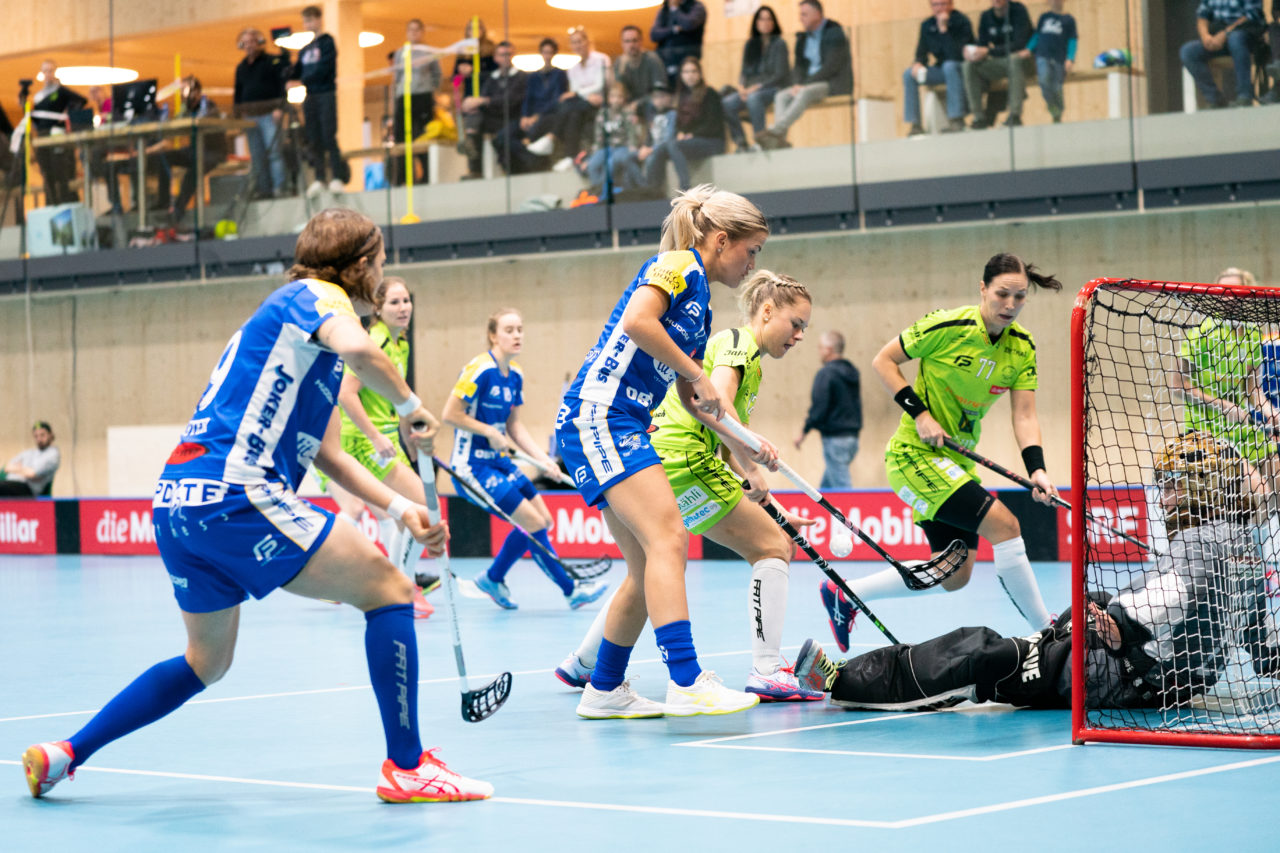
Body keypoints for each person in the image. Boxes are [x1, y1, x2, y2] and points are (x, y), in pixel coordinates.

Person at [21, 208, 492, 804]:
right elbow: (361, 350)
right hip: (235, 492)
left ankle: (65, 755)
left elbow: (325, 456)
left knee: (206, 661)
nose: (383, 275)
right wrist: (408, 405)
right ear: (361, 265)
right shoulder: (317, 297)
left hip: (177, 502)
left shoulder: (304, 347)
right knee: (392, 591)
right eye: (379, 262)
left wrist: (402, 509)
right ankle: (409, 767)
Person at [794, 431, 1280, 712]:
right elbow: (1264, 647)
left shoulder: (1198, 541)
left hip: (1120, 675)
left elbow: (1170, 594)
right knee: (1060, 618)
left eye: (1174, 487)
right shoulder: (1244, 549)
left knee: (982, 653)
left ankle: (842, 681)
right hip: (1161, 678)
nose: (1166, 498)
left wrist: (1118, 620)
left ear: (1202, 488)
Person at [556, 185, 774, 719]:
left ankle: (604, 689)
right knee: (670, 537)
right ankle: (687, 679)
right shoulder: (676, 266)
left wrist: (748, 450)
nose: (753, 264)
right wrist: (698, 372)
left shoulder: (700, 312)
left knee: (645, 565)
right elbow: (637, 321)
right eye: (751, 251)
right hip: (601, 414)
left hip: (623, 420)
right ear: (722, 240)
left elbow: (696, 399)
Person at [556, 271, 825, 703]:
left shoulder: (738, 352)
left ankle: (585, 662)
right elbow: (714, 405)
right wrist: (753, 462)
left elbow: (721, 430)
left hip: (667, 455)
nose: (798, 336)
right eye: (796, 324)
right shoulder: (740, 343)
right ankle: (767, 670)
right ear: (768, 311)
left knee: (648, 563)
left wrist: (769, 500)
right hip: (684, 457)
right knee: (773, 548)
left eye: (805, 330)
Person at [819, 253, 1063, 655]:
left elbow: (1025, 415)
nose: (1010, 305)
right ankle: (1048, 631)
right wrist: (921, 414)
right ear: (983, 289)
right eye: (1002, 294)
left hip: (957, 461)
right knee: (1006, 526)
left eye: (1020, 297)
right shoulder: (947, 326)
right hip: (913, 456)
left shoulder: (1022, 348)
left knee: (954, 573)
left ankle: (843, 593)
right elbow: (884, 361)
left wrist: (1037, 470)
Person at [444, 308, 608, 611]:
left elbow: (515, 426)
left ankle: (493, 578)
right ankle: (571, 590)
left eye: (519, 329)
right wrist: (484, 430)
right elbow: (450, 414)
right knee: (533, 523)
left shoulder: (515, 375)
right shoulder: (478, 370)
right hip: (472, 466)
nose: (516, 335)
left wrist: (542, 460)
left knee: (542, 520)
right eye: (508, 330)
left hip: (501, 462)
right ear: (493, 335)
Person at [318, 276, 440, 618]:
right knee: (422, 510)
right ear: (378, 309)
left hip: (389, 440)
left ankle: (400, 587)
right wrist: (373, 436)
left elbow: (398, 398)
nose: (403, 309)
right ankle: (403, 588)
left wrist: (414, 449)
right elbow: (345, 393)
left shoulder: (400, 344)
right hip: (362, 442)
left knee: (404, 519)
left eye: (406, 301)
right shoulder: (375, 341)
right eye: (394, 303)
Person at [1172, 267, 1280, 584]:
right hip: (1207, 433)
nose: (1226, 300)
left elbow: (1253, 390)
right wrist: (1222, 405)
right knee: (1258, 490)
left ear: (1248, 295)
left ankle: (1261, 555)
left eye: (1234, 294)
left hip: (1246, 432)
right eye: (1220, 293)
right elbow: (1178, 386)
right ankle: (1257, 565)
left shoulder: (1250, 336)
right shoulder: (1199, 335)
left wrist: (1272, 412)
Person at [756, 0, 853, 150]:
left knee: (804, 92)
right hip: (807, 83)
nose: (801, 18)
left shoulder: (834, 31)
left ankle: (776, 130)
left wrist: (804, 84)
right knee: (781, 96)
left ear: (818, 14)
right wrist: (796, 83)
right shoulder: (802, 38)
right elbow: (798, 67)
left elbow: (832, 66)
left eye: (804, 14)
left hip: (831, 83)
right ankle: (779, 140)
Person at [526, 26, 611, 172]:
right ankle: (570, 156)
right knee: (572, 112)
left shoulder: (601, 59)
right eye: (574, 42)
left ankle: (551, 137)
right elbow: (577, 91)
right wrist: (584, 94)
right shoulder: (573, 69)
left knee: (569, 103)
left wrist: (579, 93)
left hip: (601, 104)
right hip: (583, 106)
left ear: (587, 42)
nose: (577, 45)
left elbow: (601, 84)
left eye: (580, 41)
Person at [640, 57, 725, 194]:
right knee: (660, 149)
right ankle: (652, 190)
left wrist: (692, 134)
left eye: (693, 71)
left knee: (673, 145)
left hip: (712, 142)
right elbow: (681, 125)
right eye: (686, 72)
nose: (690, 75)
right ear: (681, 75)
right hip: (690, 142)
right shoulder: (681, 97)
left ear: (700, 73)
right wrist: (682, 133)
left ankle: (685, 188)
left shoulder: (710, 94)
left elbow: (714, 125)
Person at [290, 5, 350, 195]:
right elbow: (296, 71)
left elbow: (324, 68)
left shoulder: (327, 42)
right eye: (305, 20)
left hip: (325, 94)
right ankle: (319, 178)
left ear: (319, 20)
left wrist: (304, 79)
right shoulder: (305, 49)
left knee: (328, 136)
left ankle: (337, 177)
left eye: (311, 19)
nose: (308, 23)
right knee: (314, 138)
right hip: (310, 97)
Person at [152, 77, 227, 228]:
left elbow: (206, 123)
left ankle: (177, 212)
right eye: (183, 90)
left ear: (197, 91)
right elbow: (178, 122)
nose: (185, 94)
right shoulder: (187, 109)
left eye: (187, 90)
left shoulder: (208, 106)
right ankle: (163, 202)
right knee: (165, 157)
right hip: (194, 150)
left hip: (212, 152)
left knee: (193, 170)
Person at [793, 330, 861, 489]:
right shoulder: (852, 372)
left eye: (820, 348)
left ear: (829, 349)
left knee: (842, 486)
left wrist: (804, 432)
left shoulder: (826, 373)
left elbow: (819, 407)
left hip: (835, 438)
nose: (819, 352)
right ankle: (819, 510)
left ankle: (850, 512)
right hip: (852, 438)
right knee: (828, 484)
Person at [492, 37, 567, 175]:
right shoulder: (533, 76)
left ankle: (532, 163)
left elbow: (557, 100)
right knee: (501, 138)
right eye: (544, 52)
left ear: (554, 54)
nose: (547, 56)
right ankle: (528, 162)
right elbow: (528, 98)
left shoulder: (559, 74)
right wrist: (525, 116)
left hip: (547, 117)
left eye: (550, 52)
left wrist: (537, 116)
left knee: (532, 134)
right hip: (529, 117)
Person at [721, 5, 791, 152]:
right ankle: (741, 142)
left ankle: (761, 139)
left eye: (768, 19)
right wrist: (741, 88)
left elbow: (780, 74)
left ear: (774, 23)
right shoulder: (750, 44)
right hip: (750, 89)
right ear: (756, 23)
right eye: (761, 19)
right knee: (726, 103)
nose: (765, 22)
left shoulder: (779, 44)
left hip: (773, 88)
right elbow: (744, 72)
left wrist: (757, 87)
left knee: (754, 98)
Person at [233, 27, 291, 199]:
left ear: (259, 43)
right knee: (257, 156)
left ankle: (280, 188)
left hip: (269, 114)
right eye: (246, 42)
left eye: (252, 41)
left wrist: (279, 108)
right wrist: (239, 116)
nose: (249, 46)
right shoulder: (241, 67)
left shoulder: (270, 62)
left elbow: (283, 80)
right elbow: (238, 92)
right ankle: (263, 189)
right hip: (250, 117)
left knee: (274, 152)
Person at [903, 0, 974, 135]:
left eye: (943, 4)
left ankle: (956, 119)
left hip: (960, 67)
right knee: (909, 74)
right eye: (936, 5)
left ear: (951, 5)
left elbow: (955, 54)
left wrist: (943, 30)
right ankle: (915, 124)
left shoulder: (961, 21)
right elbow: (921, 52)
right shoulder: (927, 25)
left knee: (949, 66)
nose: (940, 8)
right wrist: (918, 63)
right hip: (940, 69)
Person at [458, 40, 527, 180]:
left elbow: (511, 100)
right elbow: (485, 97)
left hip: (513, 119)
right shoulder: (492, 78)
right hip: (493, 119)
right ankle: (474, 167)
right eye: (502, 55)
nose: (506, 58)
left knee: (500, 137)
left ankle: (470, 136)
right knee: (474, 115)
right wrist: (472, 104)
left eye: (509, 54)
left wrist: (484, 101)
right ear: (495, 58)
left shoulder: (521, 77)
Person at [962, 0, 1034, 129]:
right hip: (1000, 63)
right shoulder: (986, 16)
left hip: (1023, 62)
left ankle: (1015, 115)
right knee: (968, 65)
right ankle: (978, 117)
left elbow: (1019, 44)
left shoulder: (1018, 10)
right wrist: (973, 52)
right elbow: (982, 44)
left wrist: (989, 51)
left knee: (1014, 59)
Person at [1180, 0, 1266, 108]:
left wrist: (1225, 34)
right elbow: (1202, 17)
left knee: (1236, 39)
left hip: (1245, 36)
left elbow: (1252, 15)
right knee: (1188, 51)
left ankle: (1244, 95)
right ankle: (1215, 99)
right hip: (1217, 38)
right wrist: (1206, 37)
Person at [389, 19, 441, 187]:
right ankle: (403, 176)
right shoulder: (401, 53)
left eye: (417, 30)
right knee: (402, 137)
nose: (414, 33)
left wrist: (431, 91)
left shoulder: (429, 52)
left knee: (423, 136)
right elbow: (396, 78)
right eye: (410, 30)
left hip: (423, 97)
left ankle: (426, 175)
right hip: (404, 97)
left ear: (422, 32)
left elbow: (437, 75)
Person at [30, 59, 87, 206]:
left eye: (51, 70)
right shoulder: (38, 96)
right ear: (42, 73)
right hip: (42, 136)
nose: (48, 74)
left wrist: (68, 112)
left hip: (57, 134)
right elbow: (36, 116)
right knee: (46, 172)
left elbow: (81, 100)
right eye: (45, 71)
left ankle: (66, 203)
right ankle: (51, 204)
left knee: (61, 171)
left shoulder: (60, 91)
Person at [585, 82, 645, 196]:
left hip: (622, 146)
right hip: (606, 147)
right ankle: (597, 189)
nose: (616, 100)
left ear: (624, 98)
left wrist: (632, 148)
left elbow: (631, 132)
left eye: (619, 97)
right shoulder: (603, 113)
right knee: (592, 164)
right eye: (613, 97)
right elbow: (598, 135)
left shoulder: (627, 112)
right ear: (608, 98)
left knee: (610, 164)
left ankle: (600, 192)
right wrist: (595, 152)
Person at [1027, 0, 1077, 123]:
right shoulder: (1044, 17)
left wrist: (1070, 58)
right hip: (1042, 55)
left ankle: (1058, 111)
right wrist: (1028, 48)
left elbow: (1072, 40)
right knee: (1044, 80)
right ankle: (1052, 107)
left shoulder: (1069, 20)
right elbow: (1037, 35)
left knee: (1056, 86)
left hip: (1059, 58)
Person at [650, 0, 707, 84]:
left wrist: (675, 8)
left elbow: (688, 24)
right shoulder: (664, 10)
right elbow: (654, 34)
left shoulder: (696, 6)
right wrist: (674, 29)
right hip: (666, 62)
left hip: (688, 61)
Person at [0, 421, 60, 497]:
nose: (39, 439)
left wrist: (16, 469)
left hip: (28, 489)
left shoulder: (53, 455)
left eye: (42, 435)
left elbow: (32, 474)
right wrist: (24, 470)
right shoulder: (29, 453)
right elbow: (7, 467)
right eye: (36, 436)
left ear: (50, 435)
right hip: (10, 484)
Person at [614, 24, 667, 110]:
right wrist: (621, 70)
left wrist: (638, 104)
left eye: (634, 41)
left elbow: (659, 91)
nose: (631, 45)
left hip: (651, 107)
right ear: (622, 43)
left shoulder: (652, 59)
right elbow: (617, 93)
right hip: (628, 109)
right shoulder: (619, 62)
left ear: (641, 41)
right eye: (627, 41)